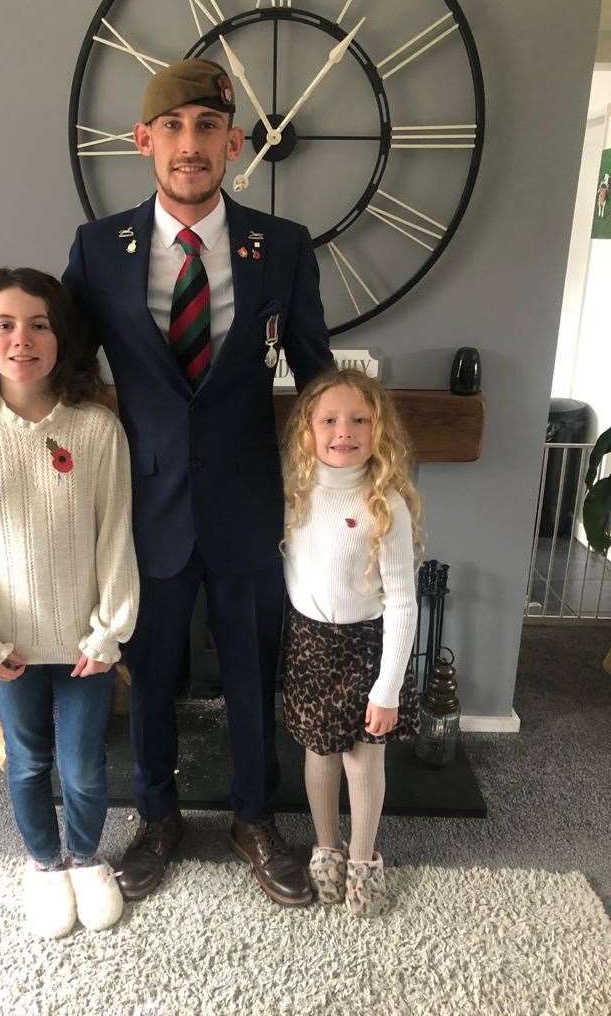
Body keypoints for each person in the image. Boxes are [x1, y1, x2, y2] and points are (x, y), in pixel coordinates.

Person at [64, 58, 333, 907]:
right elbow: (66, 371)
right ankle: (158, 818)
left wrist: (353, 486)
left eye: (207, 127)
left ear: (235, 142)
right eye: (172, 127)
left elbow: (319, 375)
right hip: (145, 510)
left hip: (250, 504)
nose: (191, 145)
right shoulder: (98, 250)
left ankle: (258, 820)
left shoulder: (281, 248)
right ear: (143, 141)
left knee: (255, 671)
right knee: (149, 675)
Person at [0, 268, 139, 938]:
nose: (24, 339)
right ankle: (44, 864)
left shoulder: (98, 428)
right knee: (28, 762)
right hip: (9, 648)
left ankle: (84, 857)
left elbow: (115, 535)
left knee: (82, 765)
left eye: (40, 323)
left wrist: (109, 632)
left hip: (82, 645)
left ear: (61, 336)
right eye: (6, 324)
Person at [280, 368, 422, 916]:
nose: (345, 431)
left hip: (367, 647)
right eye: (330, 419)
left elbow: (405, 601)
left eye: (360, 419)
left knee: (363, 761)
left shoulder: (386, 503)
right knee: (319, 754)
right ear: (309, 430)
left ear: (378, 429)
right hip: (310, 645)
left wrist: (387, 689)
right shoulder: (293, 492)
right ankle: (326, 850)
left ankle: (363, 859)